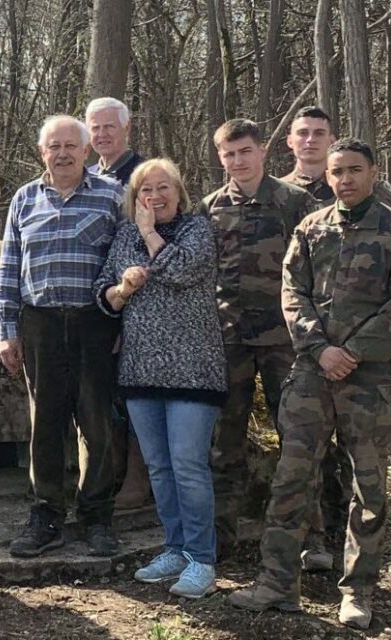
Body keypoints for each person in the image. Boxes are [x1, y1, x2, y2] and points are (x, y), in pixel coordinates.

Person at [228, 138, 391, 629]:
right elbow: (292, 292)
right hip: (312, 374)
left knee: (368, 487)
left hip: (372, 379)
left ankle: (357, 592)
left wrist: (353, 352)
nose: (345, 180)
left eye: (355, 170)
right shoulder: (311, 228)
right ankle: (277, 583)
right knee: (292, 478)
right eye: (338, 172)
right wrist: (321, 349)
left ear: (373, 172)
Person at [95, 159, 225, 598]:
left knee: (189, 465)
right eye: (145, 190)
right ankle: (175, 547)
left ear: (179, 192)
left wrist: (150, 234)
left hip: (194, 370)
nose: (154, 196)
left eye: (163, 187)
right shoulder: (124, 235)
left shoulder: (197, 230)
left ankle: (202, 560)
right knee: (159, 467)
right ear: (134, 198)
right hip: (141, 369)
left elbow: (182, 270)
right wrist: (122, 290)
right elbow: (105, 295)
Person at [0, 115, 122, 559]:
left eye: (71, 145)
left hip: (94, 322)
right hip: (40, 323)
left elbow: (126, 261)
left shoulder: (112, 196)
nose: (63, 153)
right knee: (45, 424)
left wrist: (124, 327)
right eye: (55, 146)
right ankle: (46, 514)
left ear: (86, 151)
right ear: (42, 152)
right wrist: (7, 332)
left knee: (96, 424)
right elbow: (9, 268)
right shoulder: (24, 199)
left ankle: (97, 516)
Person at [194, 119, 321, 563]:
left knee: (298, 436)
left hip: (286, 340)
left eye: (245, 151)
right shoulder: (208, 208)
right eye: (229, 154)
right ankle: (220, 536)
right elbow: (200, 273)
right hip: (229, 339)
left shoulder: (294, 202)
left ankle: (309, 537)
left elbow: (316, 270)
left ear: (263, 151)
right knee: (225, 440)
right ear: (220, 158)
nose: (237, 161)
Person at [85, 96, 150, 510]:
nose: (103, 134)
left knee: (134, 395)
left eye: (110, 126)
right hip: (98, 298)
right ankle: (102, 475)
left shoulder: (143, 175)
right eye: (95, 128)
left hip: (137, 297)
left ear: (126, 128)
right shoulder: (87, 175)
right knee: (101, 394)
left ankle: (138, 481)